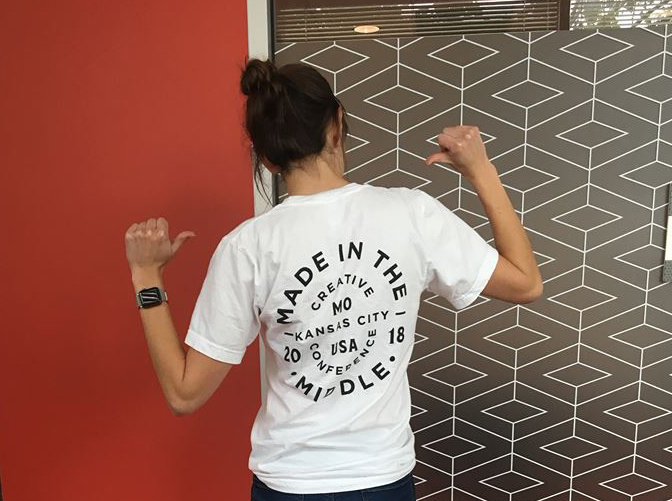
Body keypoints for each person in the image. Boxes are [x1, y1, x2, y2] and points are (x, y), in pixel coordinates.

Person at [124, 58, 543, 501]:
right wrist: (480, 168)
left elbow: (184, 394)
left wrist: (146, 276)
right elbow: (526, 282)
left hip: (290, 484)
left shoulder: (247, 247)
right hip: (383, 481)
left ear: (266, 158)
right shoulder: (410, 214)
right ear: (337, 125)